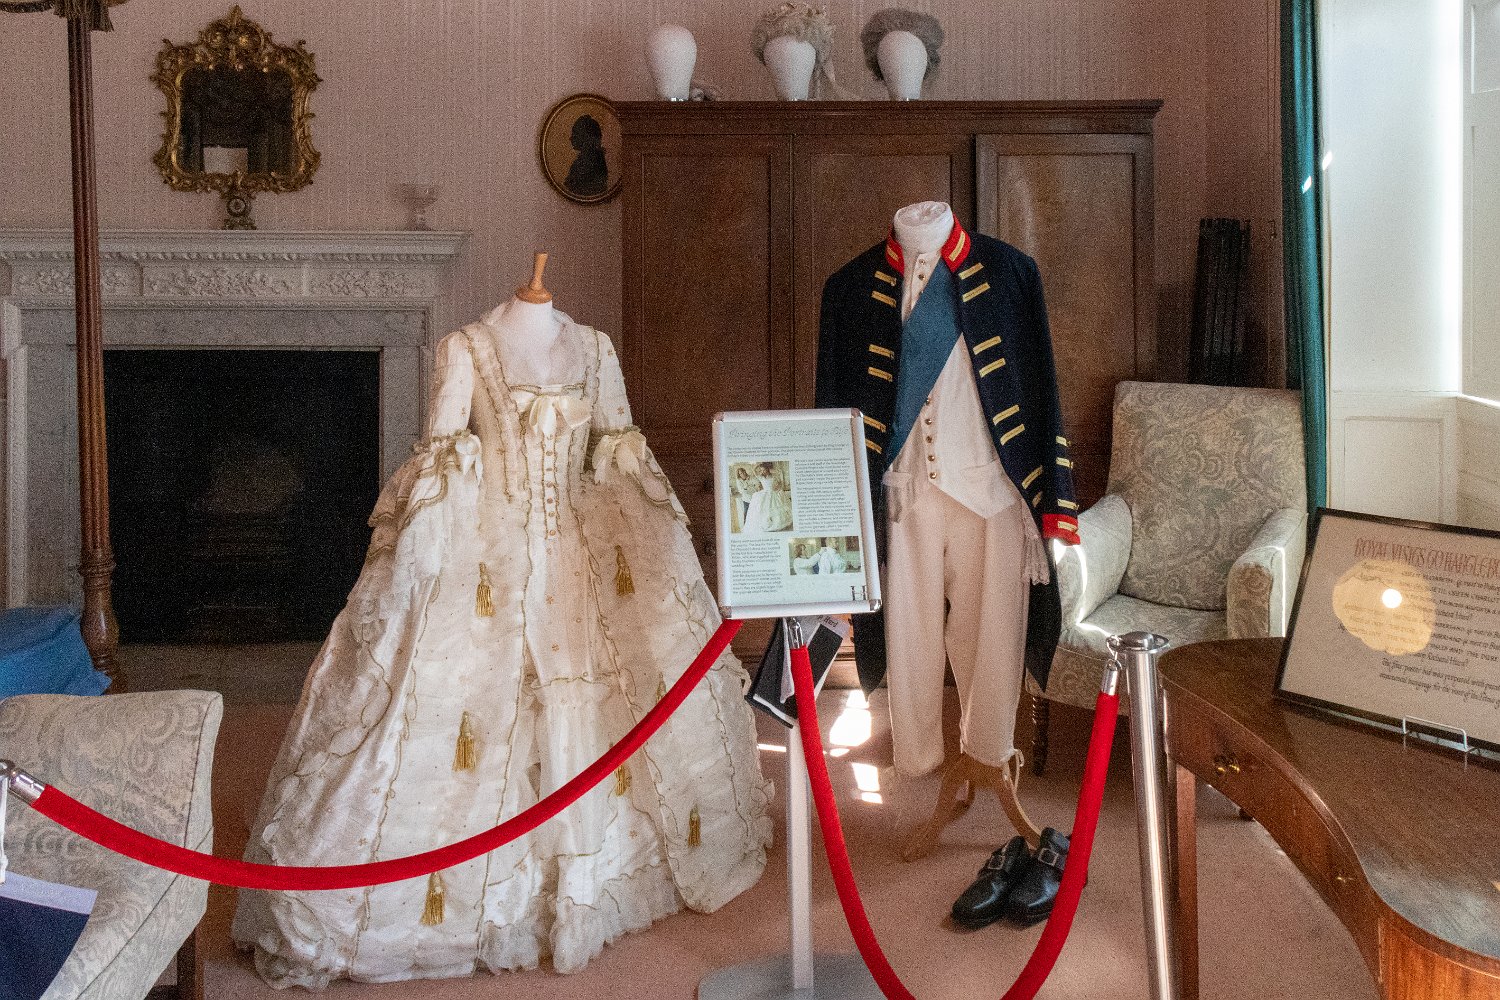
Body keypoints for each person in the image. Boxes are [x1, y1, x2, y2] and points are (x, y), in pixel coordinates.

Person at [232, 283, 772, 989]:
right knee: (448, 716)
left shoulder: (596, 350)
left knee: (613, 709)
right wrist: (417, 562)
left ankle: (589, 882)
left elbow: (617, 452)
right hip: (487, 560)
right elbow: (443, 455)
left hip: (582, 553)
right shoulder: (465, 348)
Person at [742, 462, 792, 533]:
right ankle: (765, 524)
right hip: (764, 493)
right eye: (761, 470)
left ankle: (774, 523)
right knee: (762, 508)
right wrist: (758, 464)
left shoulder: (773, 476)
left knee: (776, 507)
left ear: (768, 469)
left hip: (772, 493)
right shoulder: (761, 477)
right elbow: (754, 471)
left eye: (764, 470)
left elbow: (779, 483)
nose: (762, 471)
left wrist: (777, 490)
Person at [733, 465, 758, 530]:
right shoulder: (738, 481)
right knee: (746, 513)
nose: (743, 474)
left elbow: (757, 485)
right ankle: (746, 527)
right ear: (739, 475)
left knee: (755, 512)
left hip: (754, 498)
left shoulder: (751, 477)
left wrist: (748, 488)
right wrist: (748, 485)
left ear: (745, 471)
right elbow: (741, 491)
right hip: (746, 499)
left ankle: (755, 526)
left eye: (743, 472)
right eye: (741, 473)